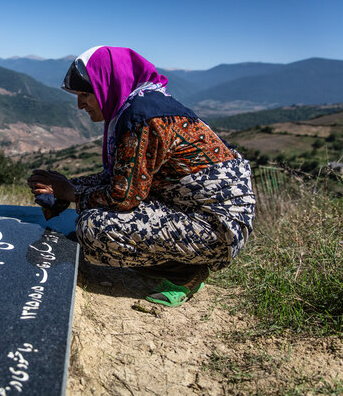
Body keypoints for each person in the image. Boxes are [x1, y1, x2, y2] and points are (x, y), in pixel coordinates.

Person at [27, 46, 255, 307]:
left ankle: (185, 271)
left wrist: (69, 192)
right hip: (196, 212)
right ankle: (180, 261)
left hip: (217, 228)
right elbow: (120, 178)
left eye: (84, 94)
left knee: (93, 228)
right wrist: (64, 187)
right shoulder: (141, 106)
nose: (80, 105)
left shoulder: (141, 117)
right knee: (91, 217)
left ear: (106, 85)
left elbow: (123, 197)